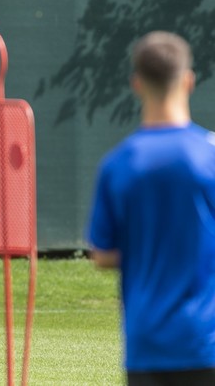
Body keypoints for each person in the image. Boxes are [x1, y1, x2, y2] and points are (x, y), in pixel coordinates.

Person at [87, 31, 215, 385]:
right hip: (205, 343)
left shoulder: (118, 164)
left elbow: (103, 254)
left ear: (137, 83)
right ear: (188, 81)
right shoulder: (210, 156)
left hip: (146, 347)